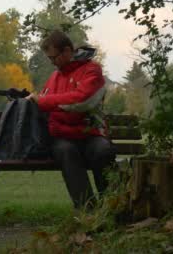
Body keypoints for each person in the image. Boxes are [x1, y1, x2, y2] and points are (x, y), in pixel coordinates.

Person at [26, 30, 114, 208]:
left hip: (91, 135)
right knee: (66, 151)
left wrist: (43, 101)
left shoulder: (92, 70)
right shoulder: (54, 77)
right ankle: (87, 210)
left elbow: (82, 100)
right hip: (62, 137)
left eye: (54, 58)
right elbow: (48, 105)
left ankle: (111, 206)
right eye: (50, 59)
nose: (52, 63)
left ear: (67, 51)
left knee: (103, 150)